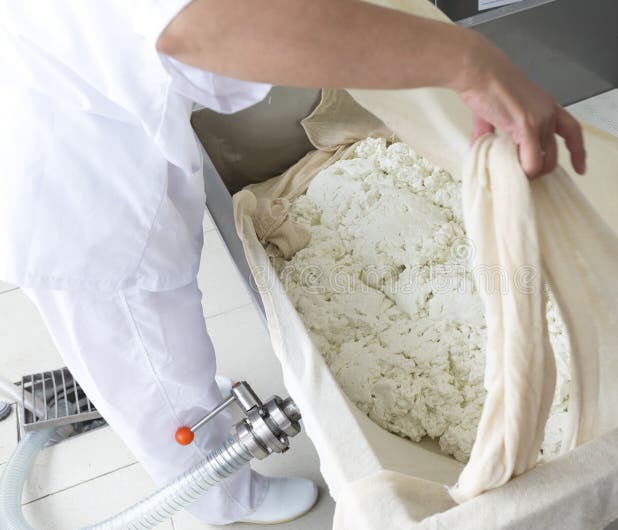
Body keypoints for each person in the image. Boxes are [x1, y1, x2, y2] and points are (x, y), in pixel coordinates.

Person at [0, 0, 586, 524]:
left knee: (152, 347)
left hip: (66, 106)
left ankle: (188, 411)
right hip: (74, 197)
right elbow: (203, 25)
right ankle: (217, 494)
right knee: (146, 357)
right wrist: (466, 59)